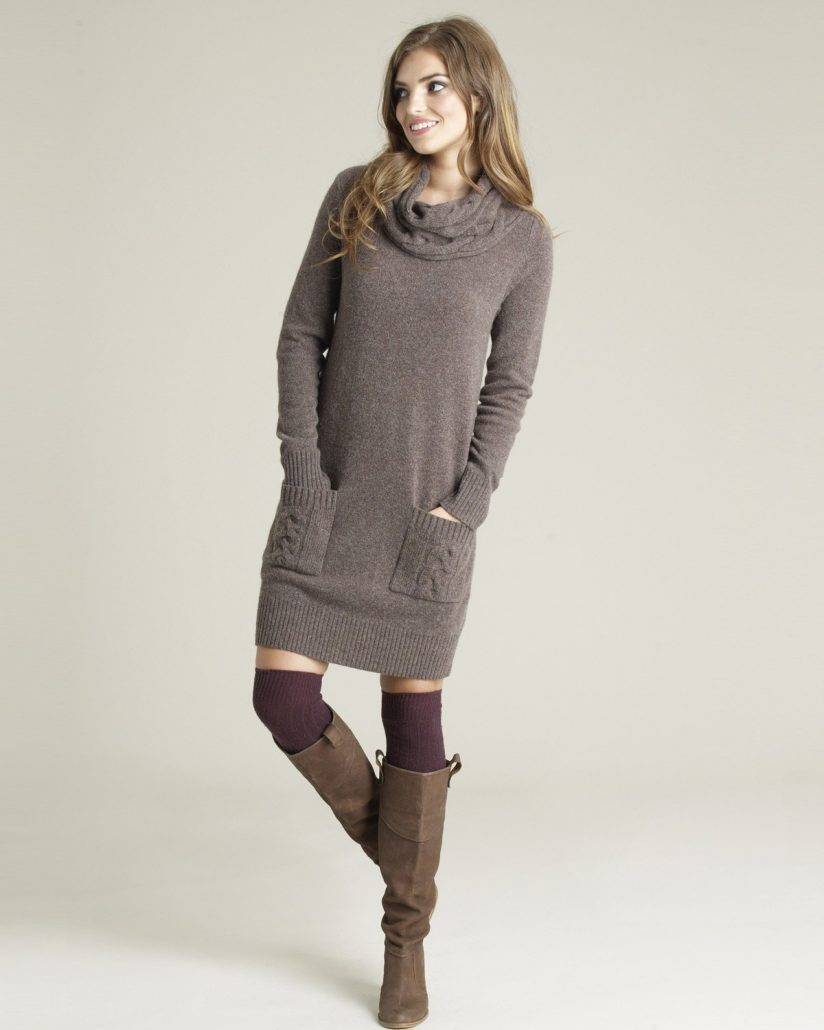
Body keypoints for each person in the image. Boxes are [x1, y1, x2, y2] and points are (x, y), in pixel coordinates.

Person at [252, 15, 555, 1028]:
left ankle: (404, 940)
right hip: (330, 496)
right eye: (401, 89)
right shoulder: (357, 196)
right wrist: (303, 465)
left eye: (433, 87)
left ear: (477, 95)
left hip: (429, 512)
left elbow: (508, 388)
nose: (413, 106)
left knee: (411, 718)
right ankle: (410, 867)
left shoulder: (520, 239)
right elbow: (300, 335)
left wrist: (466, 505)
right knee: (283, 698)